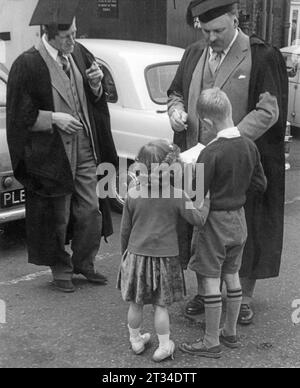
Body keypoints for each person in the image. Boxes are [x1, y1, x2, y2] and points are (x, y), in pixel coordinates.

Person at [168, 0, 288, 324]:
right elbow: (175, 92)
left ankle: (243, 297)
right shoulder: (193, 53)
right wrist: (176, 112)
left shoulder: (262, 56)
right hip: (198, 161)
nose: (210, 37)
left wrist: (227, 138)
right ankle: (204, 290)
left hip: (239, 165)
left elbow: (268, 111)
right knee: (200, 228)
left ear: (235, 20)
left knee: (243, 231)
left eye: (217, 30)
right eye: (205, 30)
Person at [6, 0, 118, 293]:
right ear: (50, 33)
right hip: (52, 153)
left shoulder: (79, 53)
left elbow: (95, 98)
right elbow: (18, 115)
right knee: (58, 213)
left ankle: (84, 261)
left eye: (75, 32)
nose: (73, 39)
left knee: (91, 209)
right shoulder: (27, 64)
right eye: (67, 35)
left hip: (84, 145)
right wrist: (54, 118)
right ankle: (61, 269)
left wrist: (96, 84)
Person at [179, 87, 267, 358]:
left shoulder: (211, 152)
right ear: (230, 111)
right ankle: (230, 333)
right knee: (231, 274)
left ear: (205, 122)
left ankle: (210, 341)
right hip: (239, 220)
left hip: (214, 223)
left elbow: (197, 193)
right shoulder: (250, 146)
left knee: (209, 278)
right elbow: (260, 185)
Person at [117, 139, 210, 362]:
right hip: (164, 259)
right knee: (160, 306)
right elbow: (198, 219)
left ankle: (136, 340)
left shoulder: (133, 192)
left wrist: (124, 256)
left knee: (135, 303)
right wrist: (206, 199)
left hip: (136, 256)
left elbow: (125, 230)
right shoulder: (177, 194)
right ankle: (164, 345)